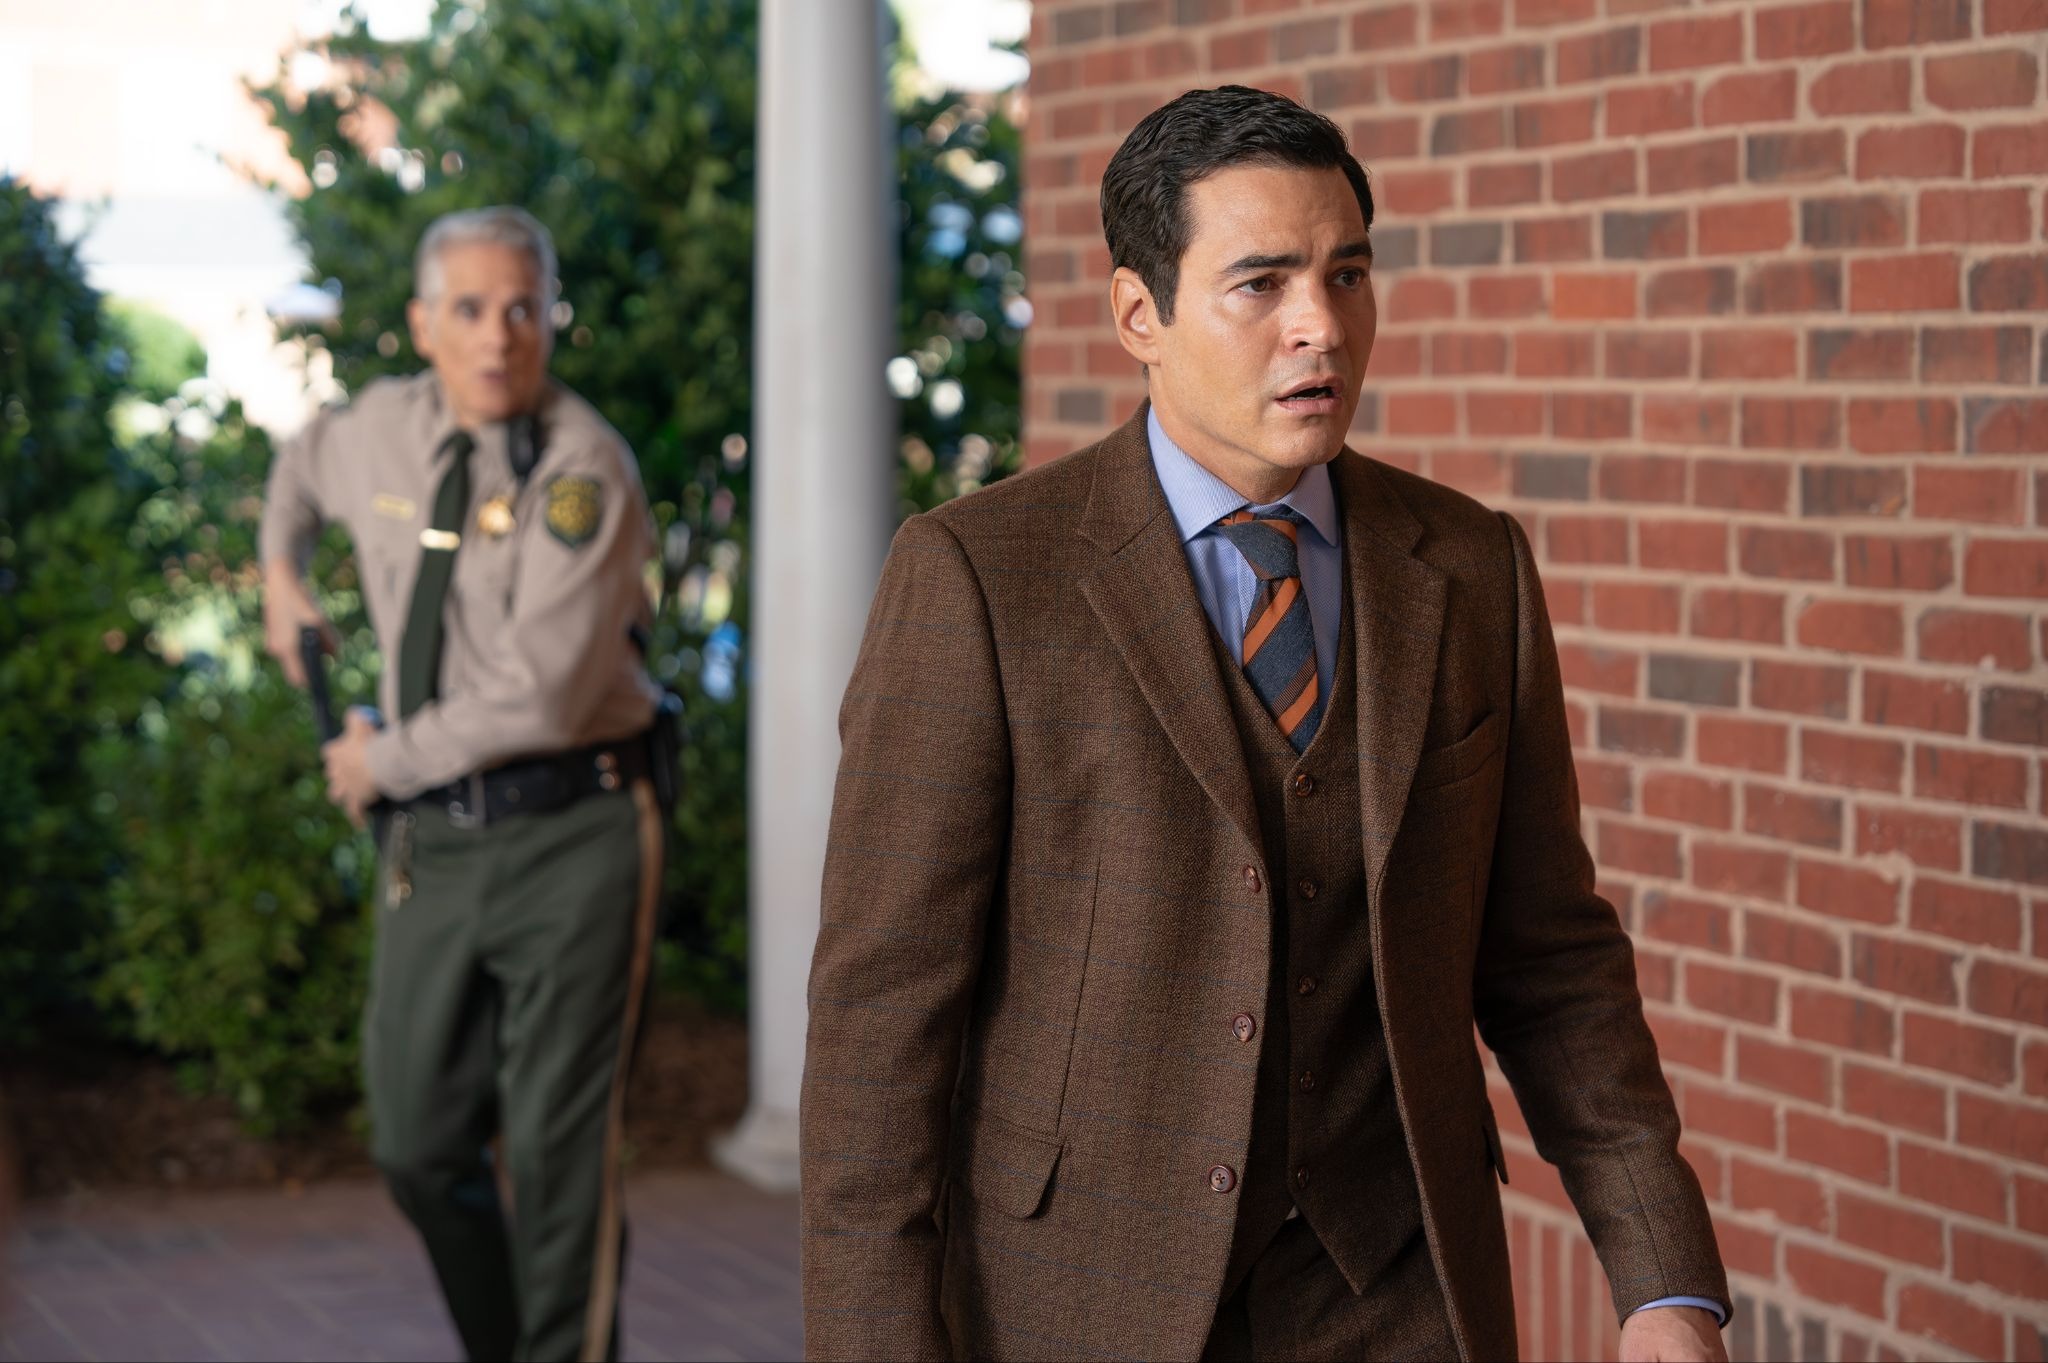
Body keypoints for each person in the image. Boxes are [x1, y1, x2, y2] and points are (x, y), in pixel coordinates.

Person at [800, 87, 1730, 1362]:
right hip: (1080, 1298)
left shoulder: (1470, 569)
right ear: (1140, 314)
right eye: (1261, 283)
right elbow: (881, 1023)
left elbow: (1550, 959)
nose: (1320, 326)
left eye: (1346, 274)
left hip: (1396, 1286)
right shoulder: (980, 579)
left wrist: (1664, 1283)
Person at [260, 206, 665, 1363]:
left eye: (525, 309)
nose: (500, 336)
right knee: (415, 1145)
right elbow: (298, 468)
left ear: (550, 320)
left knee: (555, 1156)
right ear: (423, 323)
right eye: (473, 310)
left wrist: (375, 760)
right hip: (432, 841)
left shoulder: (581, 468)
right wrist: (279, 570)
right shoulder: (380, 430)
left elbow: (538, 695)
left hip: (573, 830)